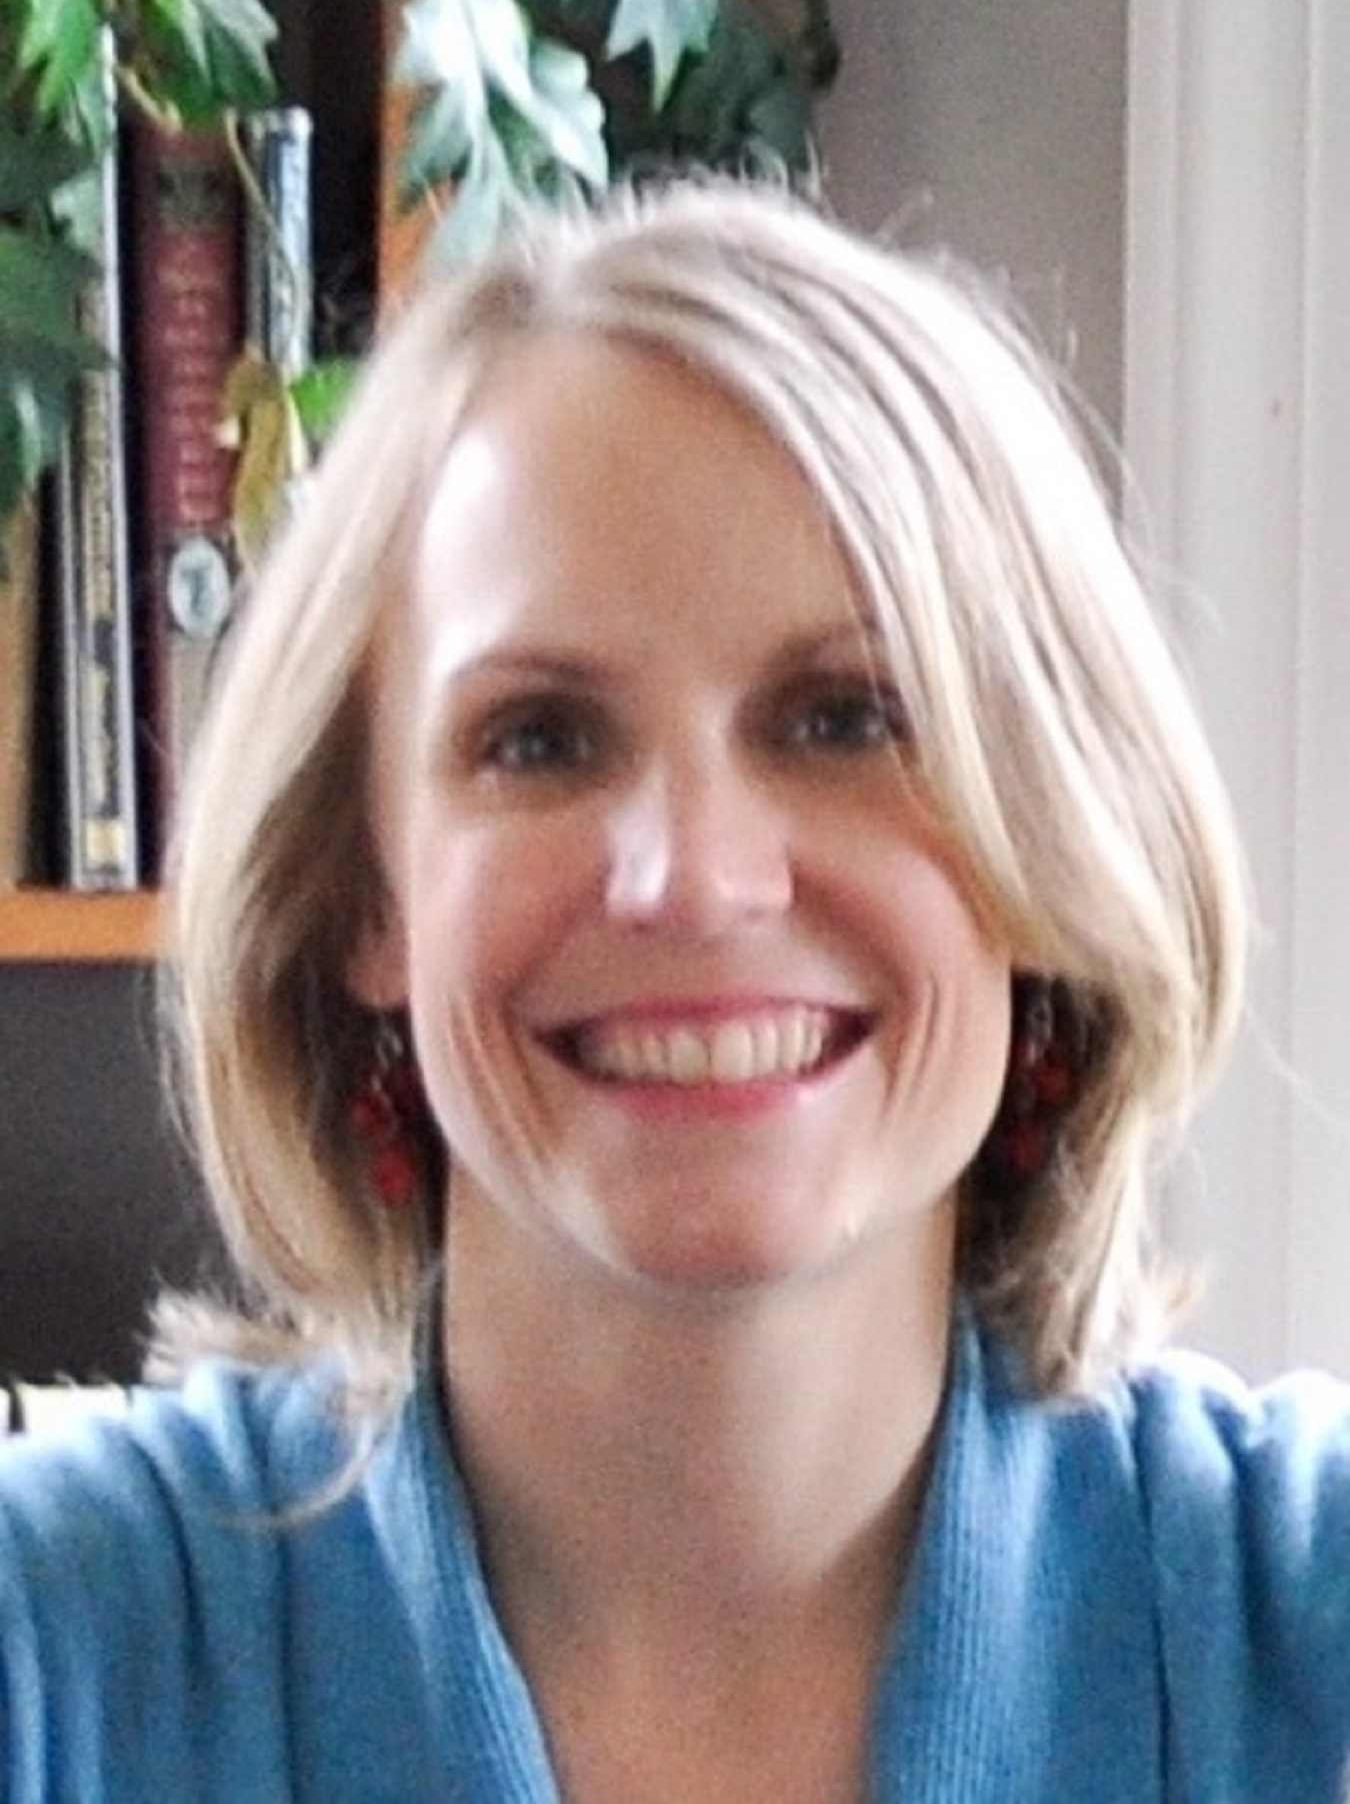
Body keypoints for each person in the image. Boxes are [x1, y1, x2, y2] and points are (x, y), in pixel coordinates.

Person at [1, 176, 1347, 1802]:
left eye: (844, 718)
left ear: (1045, 838)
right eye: (540, 739)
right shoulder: (49, 1639)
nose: (694, 879)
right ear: (361, 893)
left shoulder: (1307, 1615)